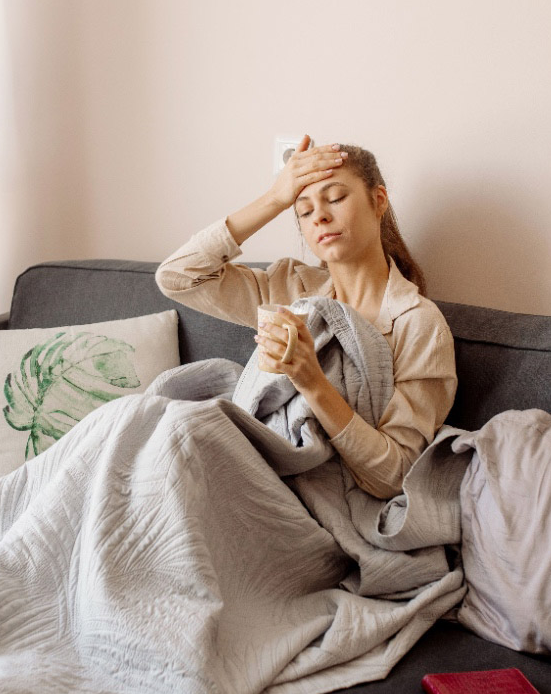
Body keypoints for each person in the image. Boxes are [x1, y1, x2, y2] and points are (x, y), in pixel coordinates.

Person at [155, 135, 457, 499]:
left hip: (310, 503)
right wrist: (275, 199)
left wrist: (311, 380)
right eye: (304, 210)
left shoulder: (419, 325)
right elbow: (177, 276)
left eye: (335, 198)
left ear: (378, 201)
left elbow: (393, 476)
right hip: (247, 465)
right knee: (140, 426)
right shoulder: (290, 289)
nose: (321, 216)